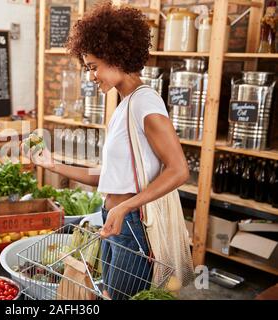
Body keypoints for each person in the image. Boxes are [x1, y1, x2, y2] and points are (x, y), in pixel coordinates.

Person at [30, 2, 189, 299]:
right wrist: (54, 165)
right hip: (115, 218)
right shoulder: (123, 105)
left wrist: (125, 207)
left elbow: (179, 170)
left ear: (116, 56)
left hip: (134, 224)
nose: (91, 75)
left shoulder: (144, 102)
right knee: (112, 294)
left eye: (94, 67)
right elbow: (111, 177)